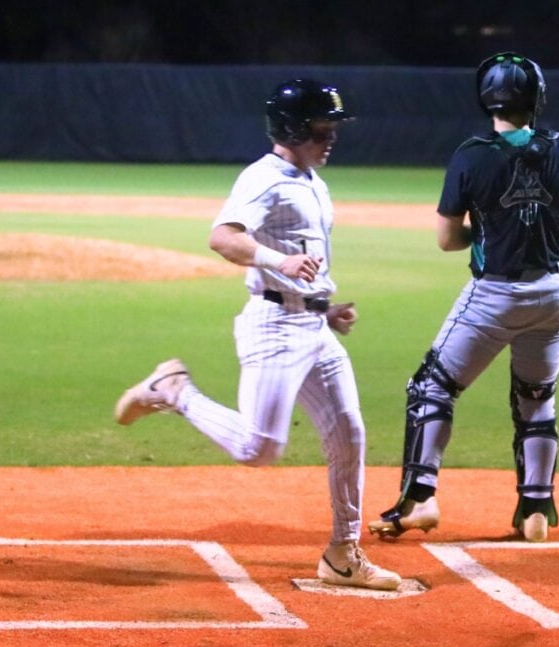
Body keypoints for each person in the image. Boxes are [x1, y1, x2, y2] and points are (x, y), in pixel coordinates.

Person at [114, 78, 401, 591]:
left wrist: (324, 307)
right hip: (274, 328)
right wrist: (280, 260)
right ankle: (175, 391)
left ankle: (342, 553)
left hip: (311, 324)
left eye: (332, 125)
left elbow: (302, 259)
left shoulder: (311, 178)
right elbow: (222, 237)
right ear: (292, 126)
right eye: (321, 126)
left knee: (349, 435)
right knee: (259, 447)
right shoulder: (264, 178)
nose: (331, 135)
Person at [368, 51, 559, 543]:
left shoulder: (471, 155)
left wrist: (489, 228)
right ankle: (535, 510)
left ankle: (420, 499)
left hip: (494, 294)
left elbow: (448, 239)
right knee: (536, 398)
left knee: (431, 389)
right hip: (552, 295)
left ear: (485, 99)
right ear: (536, 99)